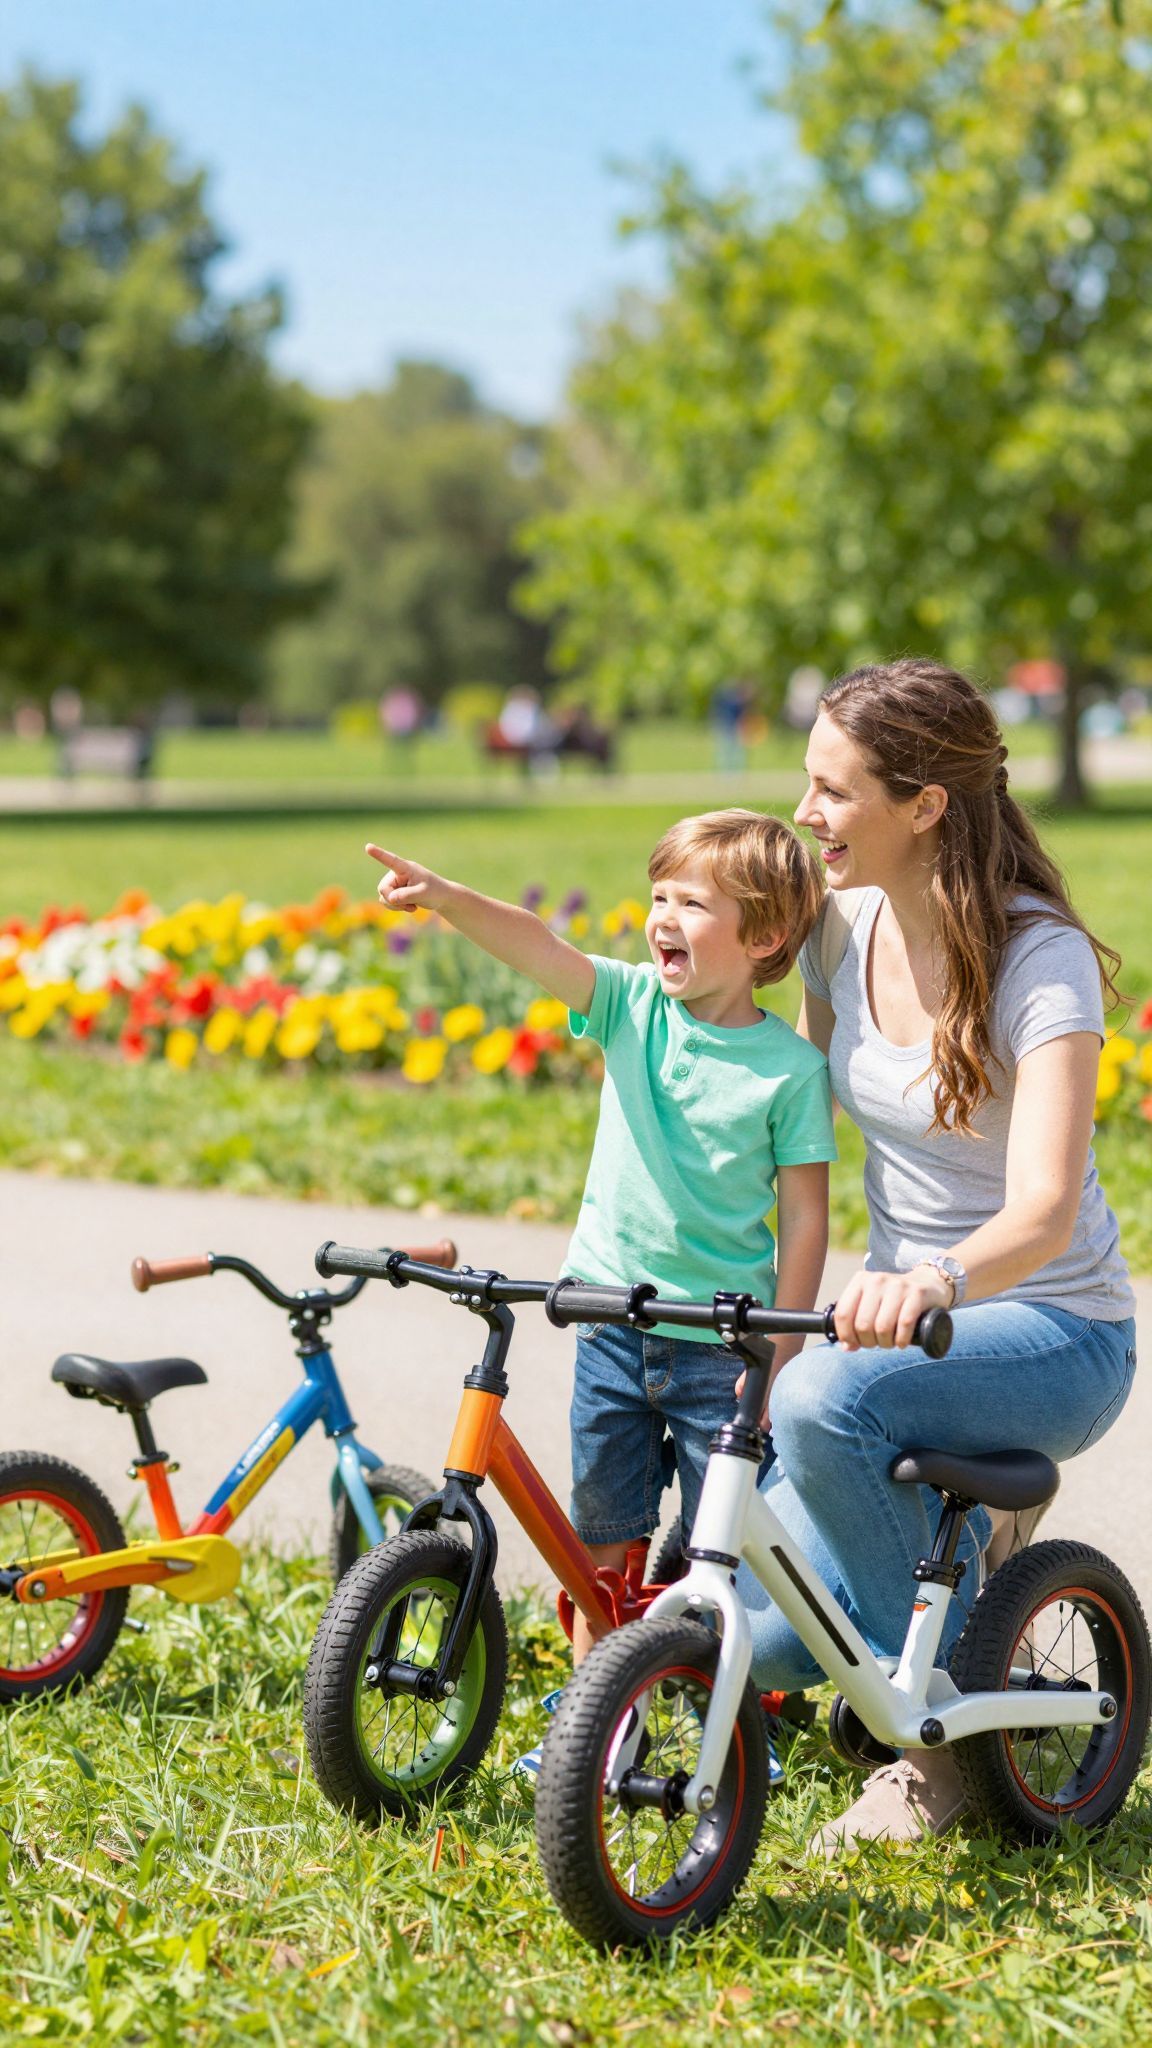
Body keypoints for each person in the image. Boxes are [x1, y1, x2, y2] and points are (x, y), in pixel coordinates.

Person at [741, 657, 1137, 1853]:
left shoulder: (1039, 960)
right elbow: (791, 1113)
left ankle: (940, 1743)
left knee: (819, 1404)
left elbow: (1046, 1208)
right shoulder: (839, 926)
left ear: (924, 806)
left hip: (1051, 1326)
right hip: (892, 1320)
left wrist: (935, 1276)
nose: (806, 813)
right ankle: (943, 1602)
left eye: (833, 789)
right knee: (754, 1616)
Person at [365, 810, 837, 1752]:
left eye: (692, 903)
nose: (662, 916)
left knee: (726, 1556)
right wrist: (450, 901)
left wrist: (777, 1352)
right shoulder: (631, 1006)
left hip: (722, 1348)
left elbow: (807, 1218)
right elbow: (540, 946)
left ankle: (733, 1729)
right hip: (612, 1331)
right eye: (657, 895)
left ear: (764, 938)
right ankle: (598, 1735)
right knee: (603, 1559)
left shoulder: (789, 1070)